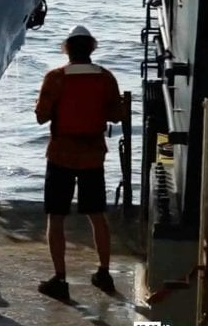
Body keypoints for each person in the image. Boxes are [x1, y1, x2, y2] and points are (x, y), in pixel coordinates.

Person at [34, 25, 124, 301]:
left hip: (60, 154)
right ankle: (104, 272)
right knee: (97, 216)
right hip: (93, 155)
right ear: (92, 48)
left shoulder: (55, 78)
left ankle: (60, 278)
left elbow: (41, 116)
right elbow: (117, 115)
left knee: (56, 217)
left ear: (67, 49)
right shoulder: (105, 78)